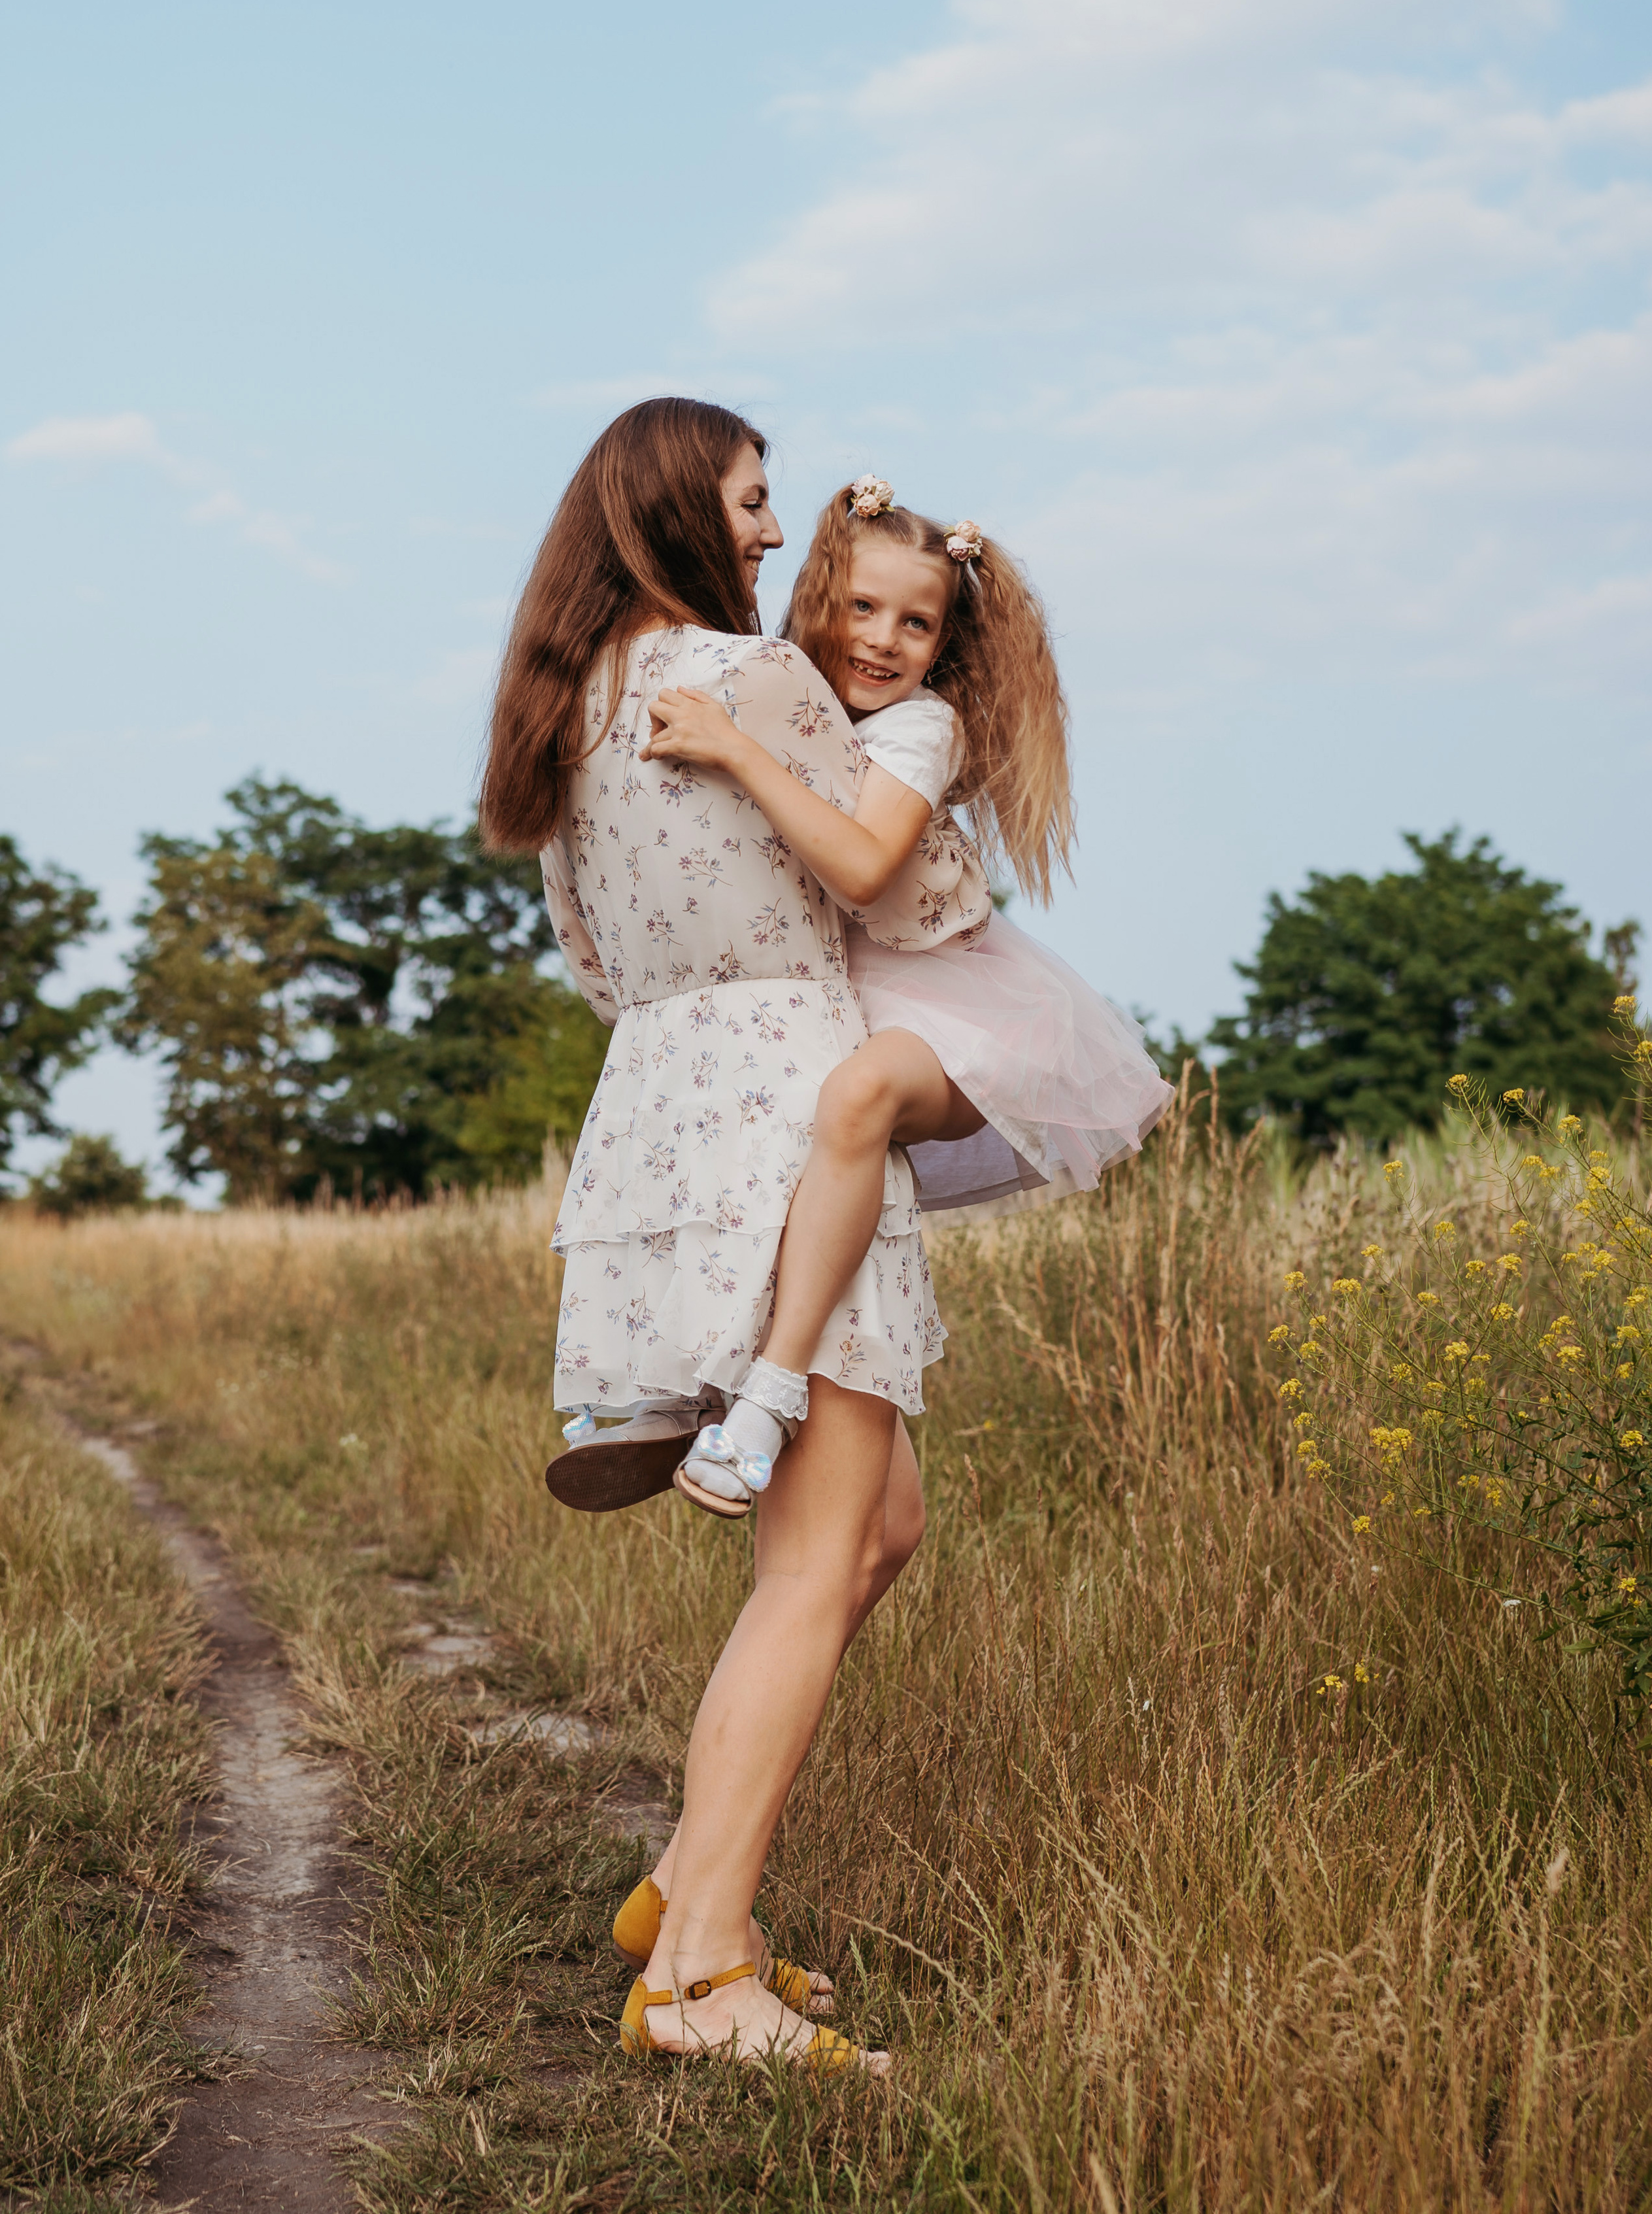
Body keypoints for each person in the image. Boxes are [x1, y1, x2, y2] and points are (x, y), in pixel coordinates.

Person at [479, 402, 991, 2071]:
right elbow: (911, 897)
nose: (775, 539)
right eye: (756, 505)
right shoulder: (754, 683)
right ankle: (701, 1976)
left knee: (879, 1518)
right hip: (786, 1091)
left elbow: (591, 963)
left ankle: (684, 1889)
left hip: (657, 1107)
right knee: (811, 1559)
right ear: (676, 511)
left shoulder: (560, 722)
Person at [637, 475, 1172, 1516]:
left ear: (943, 648)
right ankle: (689, 1379)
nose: (884, 640)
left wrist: (734, 749)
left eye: (917, 623)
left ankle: (766, 1397)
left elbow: (863, 867)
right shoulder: (792, 700)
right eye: (864, 609)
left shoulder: (916, 731)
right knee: (768, 1162)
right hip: (838, 1007)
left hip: (959, 1020)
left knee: (858, 1095)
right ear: (816, 605)